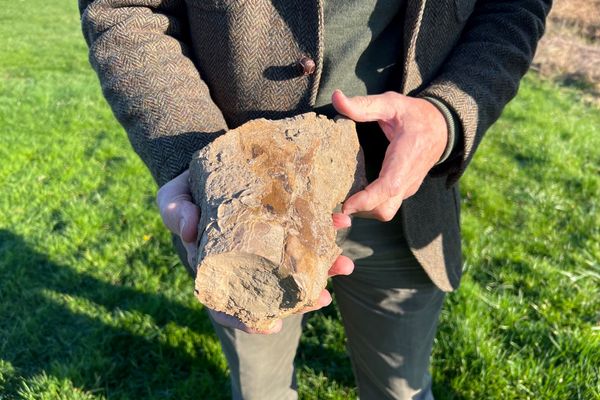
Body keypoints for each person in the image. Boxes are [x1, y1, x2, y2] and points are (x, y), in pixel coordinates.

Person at [79, 1, 551, 398]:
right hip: (238, 204)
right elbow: (127, 9)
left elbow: (512, 5)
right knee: (259, 382)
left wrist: (447, 115)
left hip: (406, 198)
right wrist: (192, 160)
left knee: (401, 387)